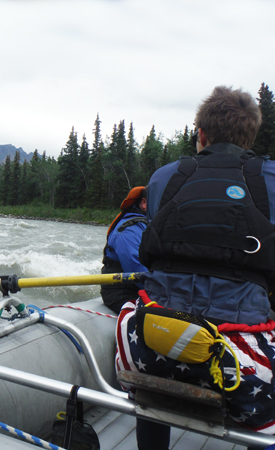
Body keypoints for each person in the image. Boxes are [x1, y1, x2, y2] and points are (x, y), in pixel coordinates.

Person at [115, 86, 275, 450]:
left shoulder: (164, 177)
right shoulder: (269, 178)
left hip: (149, 349)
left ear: (200, 134)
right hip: (238, 357)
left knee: (138, 317)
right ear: (250, 136)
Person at [101, 186, 148, 313]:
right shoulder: (128, 231)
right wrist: (163, 292)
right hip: (122, 294)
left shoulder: (145, 226)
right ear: (144, 203)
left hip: (138, 289)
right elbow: (135, 267)